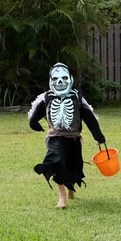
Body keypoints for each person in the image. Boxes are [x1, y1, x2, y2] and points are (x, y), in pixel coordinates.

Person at [28, 62, 107, 208]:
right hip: (55, 137)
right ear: (50, 80)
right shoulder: (47, 97)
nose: (59, 82)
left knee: (73, 166)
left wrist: (99, 137)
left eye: (64, 78)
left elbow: (89, 117)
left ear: (70, 79)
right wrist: (34, 123)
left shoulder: (76, 98)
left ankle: (70, 188)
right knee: (57, 161)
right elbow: (36, 114)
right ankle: (61, 198)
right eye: (55, 79)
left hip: (73, 139)